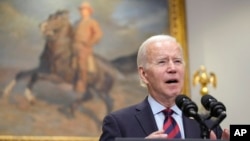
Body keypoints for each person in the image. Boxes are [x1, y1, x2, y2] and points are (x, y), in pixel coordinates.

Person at [99, 34, 230, 141]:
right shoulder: (119, 123)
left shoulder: (207, 125)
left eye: (177, 61)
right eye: (162, 62)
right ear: (144, 74)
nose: (172, 68)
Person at [73, 1, 102, 95]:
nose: (82, 11)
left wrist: (89, 42)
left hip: (84, 47)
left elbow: (98, 34)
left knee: (81, 62)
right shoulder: (77, 23)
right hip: (74, 45)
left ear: (89, 11)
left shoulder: (92, 22)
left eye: (84, 10)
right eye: (81, 10)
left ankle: (82, 84)